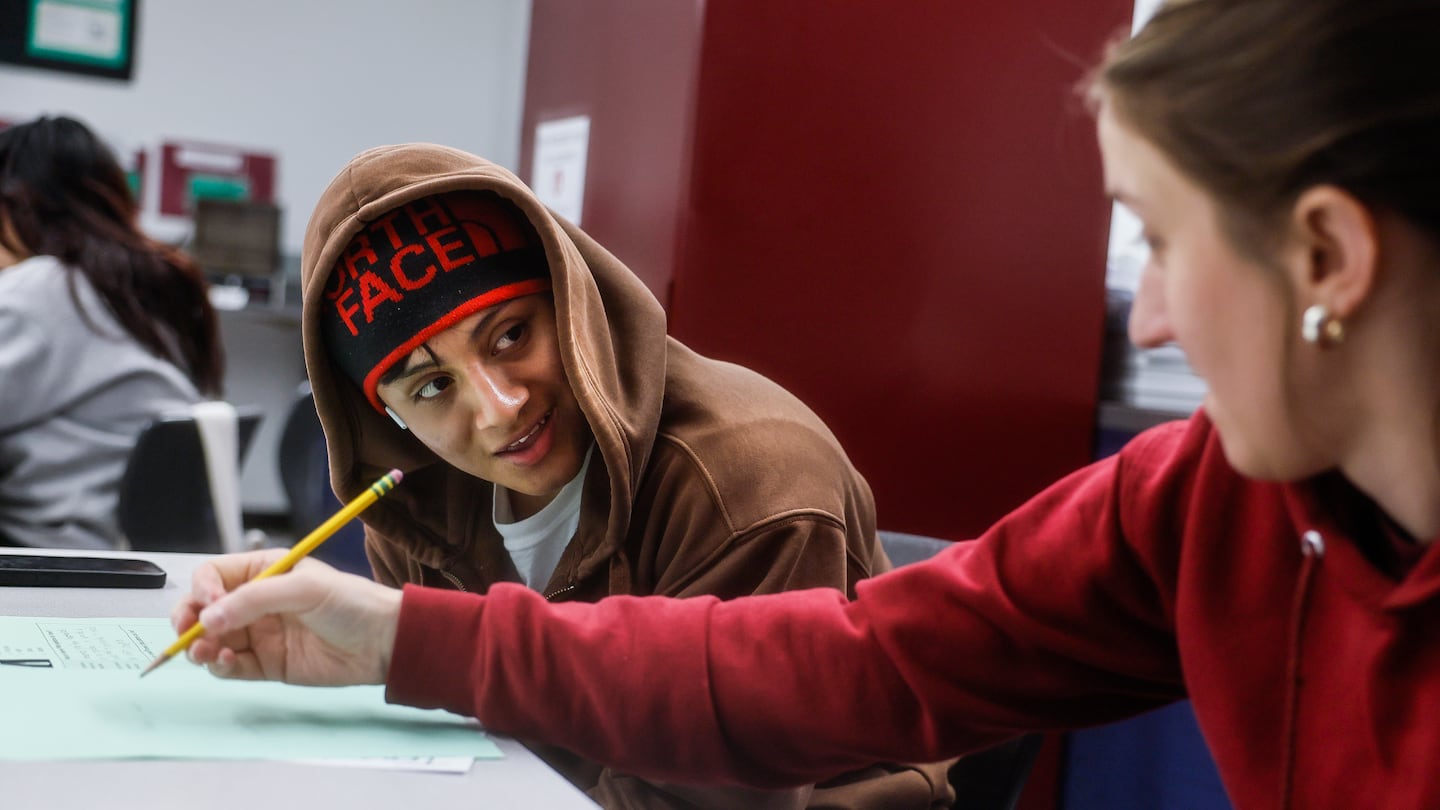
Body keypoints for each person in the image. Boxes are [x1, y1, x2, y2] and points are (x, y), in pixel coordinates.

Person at [171, 0, 1440, 805]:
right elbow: (864, 660)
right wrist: (397, 637)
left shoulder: (742, 467)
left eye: (1159, 242)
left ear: (1326, 257)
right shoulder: (1207, 500)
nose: (1148, 319)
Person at [271, 143, 952, 808]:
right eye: (431, 388)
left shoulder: (750, 481)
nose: (500, 408)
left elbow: (710, 795)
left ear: (574, 301)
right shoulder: (418, 504)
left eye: (511, 334)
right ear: (387, 418)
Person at [0, 115, 223, 549]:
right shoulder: (155, 281)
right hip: (135, 551)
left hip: (49, 553)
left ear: (17, 204)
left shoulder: (41, 290)